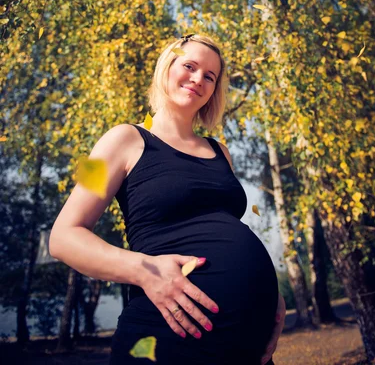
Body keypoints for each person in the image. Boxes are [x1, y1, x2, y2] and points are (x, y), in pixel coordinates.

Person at [49, 33, 286, 364]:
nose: (198, 79)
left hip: (247, 348)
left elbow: (225, 232)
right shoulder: (120, 139)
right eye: (189, 65)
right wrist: (145, 270)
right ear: (167, 66)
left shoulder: (221, 152)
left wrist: (270, 297)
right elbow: (62, 237)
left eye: (210, 76)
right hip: (169, 341)